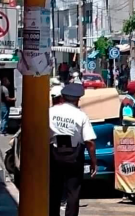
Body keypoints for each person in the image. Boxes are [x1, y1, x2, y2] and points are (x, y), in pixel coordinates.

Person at [49, 83, 97, 216]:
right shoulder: (81, 116)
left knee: (54, 189)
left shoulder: (50, 112)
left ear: (62, 97)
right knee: (73, 192)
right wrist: (94, 162)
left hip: (54, 155)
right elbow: (89, 142)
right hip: (74, 157)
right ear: (77, 99)